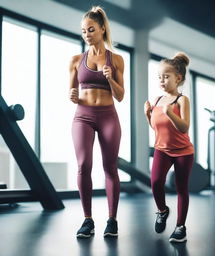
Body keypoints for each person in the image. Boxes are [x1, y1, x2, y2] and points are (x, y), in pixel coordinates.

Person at [69, 6, 124, 238]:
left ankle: (112, 220)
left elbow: (120, 96)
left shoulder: (117, 59)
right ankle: (87, 220)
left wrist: (110, 78)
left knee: (110, 167)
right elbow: (72, 91)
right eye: (83, 31)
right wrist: (73, 96)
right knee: (83, 165)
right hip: (83, 116)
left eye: (91, 29)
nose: (87, 34)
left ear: (102, 29)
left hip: (108, 116)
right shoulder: (75, 60)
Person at [144, 52, 194, 242]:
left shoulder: (181, 100)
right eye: (159, 77)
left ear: (178, 78)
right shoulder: (156, 100)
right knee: (156, 182)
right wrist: (148, 115)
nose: (162, 80)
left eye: (166, 76)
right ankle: (162, 211)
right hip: (162, 150)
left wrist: (170, 113)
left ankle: (180, 227)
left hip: (183, 152)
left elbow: (184, 127)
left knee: (181, 188)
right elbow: (156, 128)